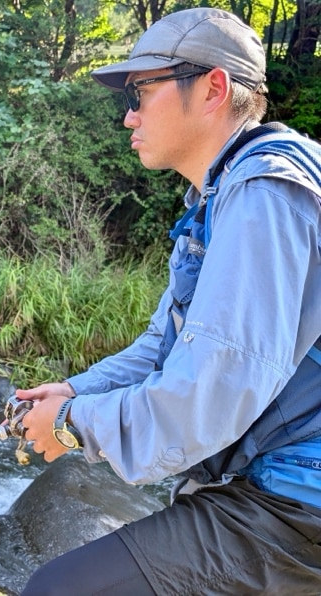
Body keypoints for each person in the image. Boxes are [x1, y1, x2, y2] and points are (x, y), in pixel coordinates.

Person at [17, 7, 321, 595]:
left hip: (300, 502)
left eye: (141, 91)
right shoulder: (226, 192)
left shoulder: (266, 195)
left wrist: (73, 426)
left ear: (212, 88)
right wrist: (78, 391)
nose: (128, 115)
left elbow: (214, 389)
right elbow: (165, 346)